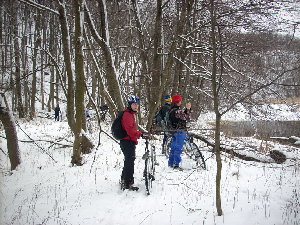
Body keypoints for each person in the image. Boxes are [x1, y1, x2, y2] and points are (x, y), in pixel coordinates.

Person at [120, 95, 142, 191]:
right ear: (130, 105)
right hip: (127, 141)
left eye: (137, 104)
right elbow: (130, 131)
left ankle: (124, 180)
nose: (136, 106)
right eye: (134, 104)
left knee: (128, 160)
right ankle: (128, 183)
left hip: (127, 140)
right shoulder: (128, 115)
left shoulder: (130, 114)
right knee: (129, 162)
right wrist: (139, 134)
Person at [168, 94, 191, 169]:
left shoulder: (172, 110)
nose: (181, 102)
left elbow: (181, 116)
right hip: (179, 131)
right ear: (177, 102)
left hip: (174, 131)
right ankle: (176, 164)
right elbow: (186, 117)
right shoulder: (177, 111)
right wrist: (188, 109)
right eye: (180, 101)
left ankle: (171, 163)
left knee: (173, 147)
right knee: (178, 147)